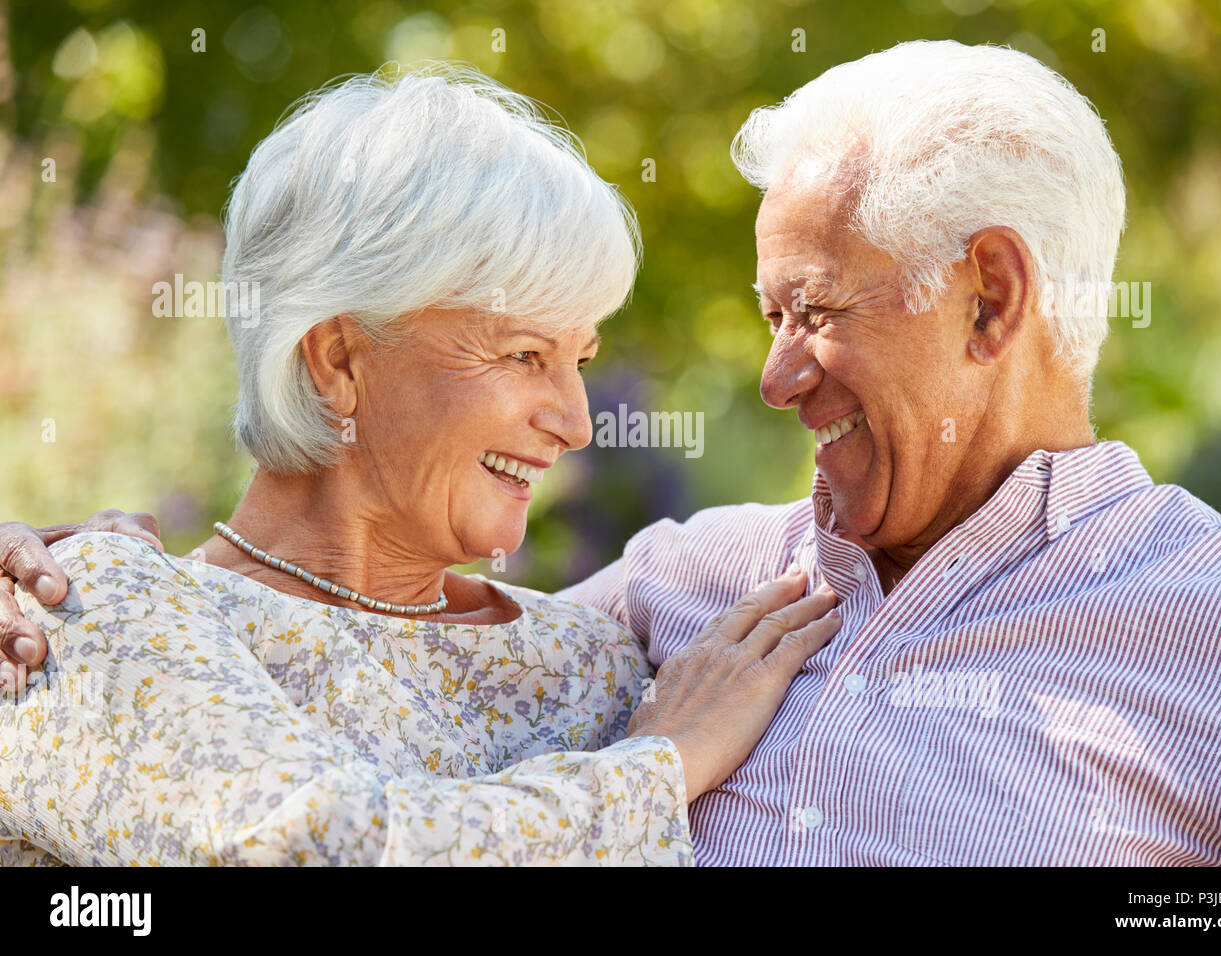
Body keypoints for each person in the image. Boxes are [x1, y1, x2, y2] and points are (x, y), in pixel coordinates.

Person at [7, 40, 1221, 866]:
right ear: (338, 360)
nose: (772, 375)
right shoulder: (683, 608)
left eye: (816, 313)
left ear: (991, 300)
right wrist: (98, 585)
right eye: (526, 355)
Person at [0, 66, 842, 866]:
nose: (577, 424)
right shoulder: (87, 607)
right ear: (336, 359)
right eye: (521, 355)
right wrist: (660, 764)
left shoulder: (595, 664)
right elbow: (305, 849)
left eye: (579, 361)